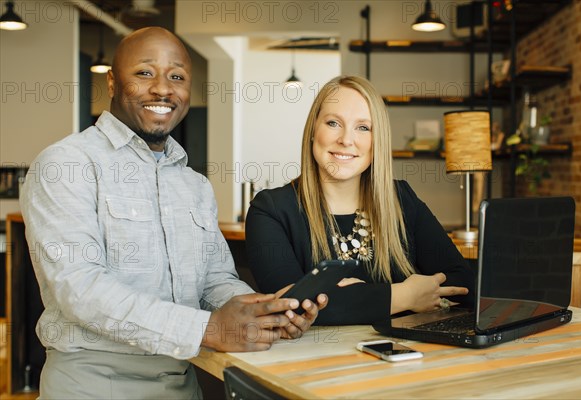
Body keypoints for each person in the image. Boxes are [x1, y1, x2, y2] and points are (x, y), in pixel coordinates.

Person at [20, 27, 326, 399]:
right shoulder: (65, 164)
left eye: (177, 77)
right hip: (94, 384)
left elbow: (215, 281)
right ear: (113, 82)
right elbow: (80, 290)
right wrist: (208, 329)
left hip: (184, 382)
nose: (163, 89)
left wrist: (267, 315)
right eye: (145, 73)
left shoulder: (194, 185)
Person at [245, 75, 474, 325]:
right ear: (313, 131)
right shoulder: (270, 210)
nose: (346, 139)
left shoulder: (402, 199)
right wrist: (405, 296)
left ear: (377, 141)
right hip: (313, 362)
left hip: (404, 357)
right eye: (333, 123)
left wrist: (353, 297)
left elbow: (462, 284)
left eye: (363, 127)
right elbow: (289, 308)